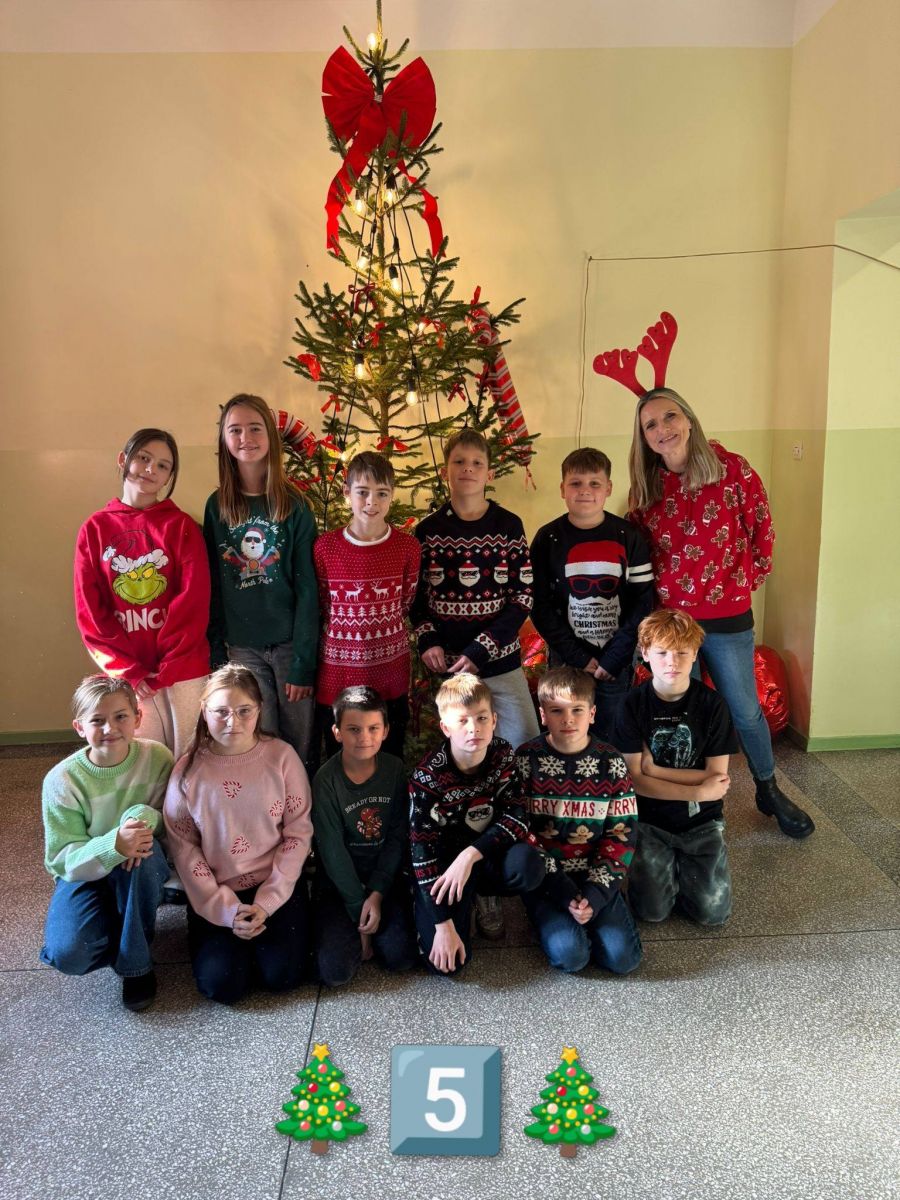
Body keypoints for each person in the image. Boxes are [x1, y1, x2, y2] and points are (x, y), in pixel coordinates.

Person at [628, 388, 814, 838]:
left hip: (728, 617)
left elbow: (763, 528)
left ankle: (768, 788)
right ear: (644, 438)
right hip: (674, 626)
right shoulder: (647, 488)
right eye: (650, 425)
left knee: (745, 710)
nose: (662, 429)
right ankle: (690, 799)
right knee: (682, 714)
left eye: (670, 417)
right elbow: (641, 554)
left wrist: (743, 582)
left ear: (689, 420)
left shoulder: (732, 470)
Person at [410, 428, 539, 936]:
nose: (467, 470)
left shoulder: (508, 526)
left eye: (476, 463)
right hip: (449, 675)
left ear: (488, 471)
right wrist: (427, 640)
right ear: (447, 470)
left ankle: (523, 855)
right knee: (460, 765)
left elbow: (522, 597)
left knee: (525, 746)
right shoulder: (427, 531)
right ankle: (472, 876)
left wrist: (480, 651)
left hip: (500, 663)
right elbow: (416, 600)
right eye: (458, 461)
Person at [163, 665, 312, 1004]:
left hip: (275, 883)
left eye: (244, 710)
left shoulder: (282, 757)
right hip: (216, 889)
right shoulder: (188, 770)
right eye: (221, 712)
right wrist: (227, 911)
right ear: (204, 711)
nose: (233, 721)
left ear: (259, 710)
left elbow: (298, 834)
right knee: (222, 985)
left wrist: (267, 902)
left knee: (283, 976)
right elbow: (185, 848)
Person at [74, 428, 210, 759]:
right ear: (124, 459)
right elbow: (90, 612)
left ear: (169, 476)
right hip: (128, 674)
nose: (151, 469)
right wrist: (129, 671)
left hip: (183, 669)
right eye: (144, 458)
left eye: (163, 465)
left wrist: (170, 665)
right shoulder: (94, 529)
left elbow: (193, 600)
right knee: (142, 762)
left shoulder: (181, 526)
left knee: (190, 759)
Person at [40, 676, 173, 1011]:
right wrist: (114, 845)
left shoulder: (157, 757)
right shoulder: (61, 781)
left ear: (138, 718)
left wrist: (141, 821)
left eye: (120, 717)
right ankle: (123, 924)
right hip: (86, 871)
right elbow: (62, 859)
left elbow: (172, 818)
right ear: (79, 727)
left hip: (141, 863)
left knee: (142, 854)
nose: (109, 728)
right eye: (97, 720)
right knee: (68, 954)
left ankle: (136, 967)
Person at [203, 395, 318, 767]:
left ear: (270, 436)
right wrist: (217, 651)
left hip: (289, 645)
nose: (245, 438)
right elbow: (213, 585)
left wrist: (302, 661)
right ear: (224, 440)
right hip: (243, 648)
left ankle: (301, 804)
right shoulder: (217, 506)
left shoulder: (295, 505)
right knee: (259, 740)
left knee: (300, 742)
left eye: (255, 428)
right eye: (235, 430)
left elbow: (307, 588)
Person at [409, 674, 544, 975]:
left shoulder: (502, 754)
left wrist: (470, 855)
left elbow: (518, 817)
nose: (474, 728)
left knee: (529, 864)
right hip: (444, 866)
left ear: (494, 720)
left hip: (483, 854)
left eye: (482, 718)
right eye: (462, 721)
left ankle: (484, 894)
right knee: (449, 966)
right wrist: (442, 924)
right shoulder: (428, 777)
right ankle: (444, 905)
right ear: (446, 728)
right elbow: (421, 853)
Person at [615, 610, 737, 926]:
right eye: (662, 653)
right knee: (651, 913)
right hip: (650, 821)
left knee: (712, 915)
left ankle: (686, 869)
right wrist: (697, 790)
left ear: (695, 653)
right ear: (645, 653)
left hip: (702, 821)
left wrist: (654, 770)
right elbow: (634, 780)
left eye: (682, 652)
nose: (672, 662)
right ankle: (670, 868)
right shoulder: (632, 705)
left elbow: (716, 778)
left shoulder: (713, 705)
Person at [516, 667, 642, 974]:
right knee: (571, 956)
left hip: (594, 874)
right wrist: (562, 891)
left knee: (623, 960)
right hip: (548, 880)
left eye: (577, 710)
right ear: (543, 715)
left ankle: (599, 910)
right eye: (556, 711)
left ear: (592, 714)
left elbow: (621, 834)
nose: (568, 720)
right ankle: (550, 918)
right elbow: (520, 831)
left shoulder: (611, 762)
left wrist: (595, 894)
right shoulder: (526, 759)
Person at [530, 447, 654, 745]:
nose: (585, 490)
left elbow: (642, 601)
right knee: (566, 734)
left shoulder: (629, 537)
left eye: (594, 483)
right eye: (576, 483)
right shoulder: (547, 539)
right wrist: (578, 657)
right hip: (566, 659)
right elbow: (538, 603)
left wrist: (614, 657)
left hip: (616, 660)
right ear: (563, 489)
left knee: (612, 733)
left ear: (608, 488)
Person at [313, 451, 421, 761]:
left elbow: (406, 601)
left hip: (389, 671)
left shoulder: (407, 547)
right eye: (362, 492)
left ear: (392, 495)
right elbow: (324, 602)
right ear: (346, 492)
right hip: (339, 672)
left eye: (382, 493)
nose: (372, 502)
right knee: (339, 756)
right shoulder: (325, 548)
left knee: (390, 754)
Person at [311, 686, 418, 987]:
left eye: (373, 728)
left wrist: (378, 893)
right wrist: (360, 912)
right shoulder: (325, 780)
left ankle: (378, 929)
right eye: (354, 729)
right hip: (339, 884)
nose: (364, 738)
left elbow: (397, 835)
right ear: (337, 732)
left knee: (401, 957)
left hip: (383, 879)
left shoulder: (394, 769)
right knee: (335, 973)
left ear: (385, 731)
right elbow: (332, 850)